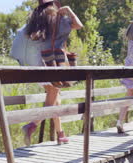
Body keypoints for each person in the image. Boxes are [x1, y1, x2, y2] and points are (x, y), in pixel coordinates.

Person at [18, 0, 83, 146]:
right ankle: (32, 125)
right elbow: (79, 25)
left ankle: (60, 134)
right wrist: (69, 10)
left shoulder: (36, 19)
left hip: (38, 64)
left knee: (54, 98)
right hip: (53, 63)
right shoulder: (57, 17)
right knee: (53, 97)